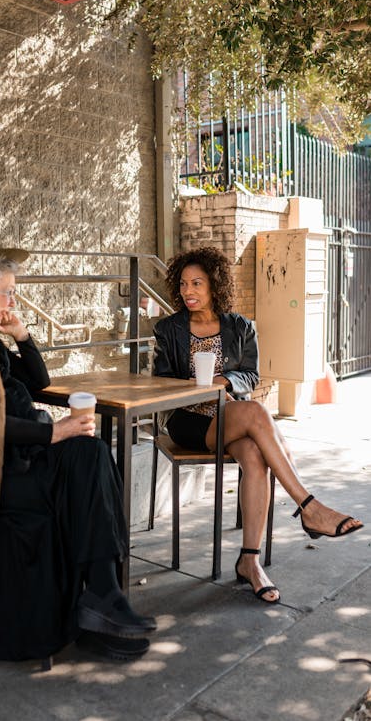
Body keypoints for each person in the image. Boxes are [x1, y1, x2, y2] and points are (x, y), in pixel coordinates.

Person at [0, 232, 155, 663]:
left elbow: (39, 383)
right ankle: (97, 602)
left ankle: (102, 596)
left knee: (90, 453)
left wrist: (21, 334)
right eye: (8, 294)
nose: (11, 303)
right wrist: (53, 434)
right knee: (80, 467)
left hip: (11, 461)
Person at [153, 246, 363, 603]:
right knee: (257, 415)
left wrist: (227, 382)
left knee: (254, 454)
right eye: (185, 284)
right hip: (188, 419)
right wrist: (196, 387)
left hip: (229, 414)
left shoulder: (240, 327)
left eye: (198, 283)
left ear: (214, 285)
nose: (189, 291)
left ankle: (249, 561)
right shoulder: (169, 329)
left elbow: (251, 374)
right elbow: (159, 382)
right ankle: (308, 507)